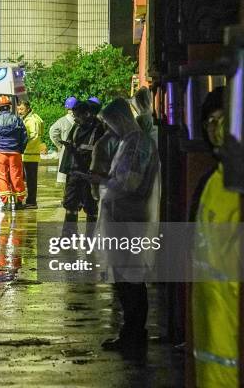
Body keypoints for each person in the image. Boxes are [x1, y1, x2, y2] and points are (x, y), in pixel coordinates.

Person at [83, 98, 160, 351]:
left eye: (111, 122)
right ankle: (131, 331)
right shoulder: (130, 142)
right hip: (123, 218)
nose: (109, 127)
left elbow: (129, 184)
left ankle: (134, 333)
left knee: (130, 281)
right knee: (125, 280)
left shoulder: (137, 143)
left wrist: (102, 180)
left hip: (129, 220)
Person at [191, 87, 240, 387]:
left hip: (242, 355)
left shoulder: (243, 191)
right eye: (210, 121)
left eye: (223, 120)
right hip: (213, 356)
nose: (215, 129)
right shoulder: (212, 184)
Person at [59, 100, 104, 235]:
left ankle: (91, 237)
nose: (76, 119)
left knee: (91, 206)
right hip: (74, 173)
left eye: (78, 116)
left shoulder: (99, 129)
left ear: (88, 114)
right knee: (70, 203)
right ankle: (69, 234)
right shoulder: (76, 127)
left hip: (91, 174)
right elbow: (70, 148)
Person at [0, 95, 28, 210]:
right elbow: (25, 137)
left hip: (0, 153)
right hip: (15, 153)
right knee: (16, 176)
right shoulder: (18, 120)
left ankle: (6, 204)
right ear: (9, 107)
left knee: (2, 177)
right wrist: (20, 149)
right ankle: (19, 202)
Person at [18, 100, 44, 208]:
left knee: (31, 180)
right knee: (28, 180)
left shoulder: (32, 120)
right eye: (18, 109)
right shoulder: (31, 118)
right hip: (28, 154)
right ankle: (29, 200)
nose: (19, 111)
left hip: (30, 154)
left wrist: (22, 145)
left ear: (28, 108)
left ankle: (32, 202)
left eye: (22, 109)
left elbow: (34, 136)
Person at [50, 96, 77, 184]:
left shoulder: (61, 121)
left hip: (66, 151)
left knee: (65, 181)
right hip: (77, 152)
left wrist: (60, 145)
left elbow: (52, 132)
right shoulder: (81, 120)